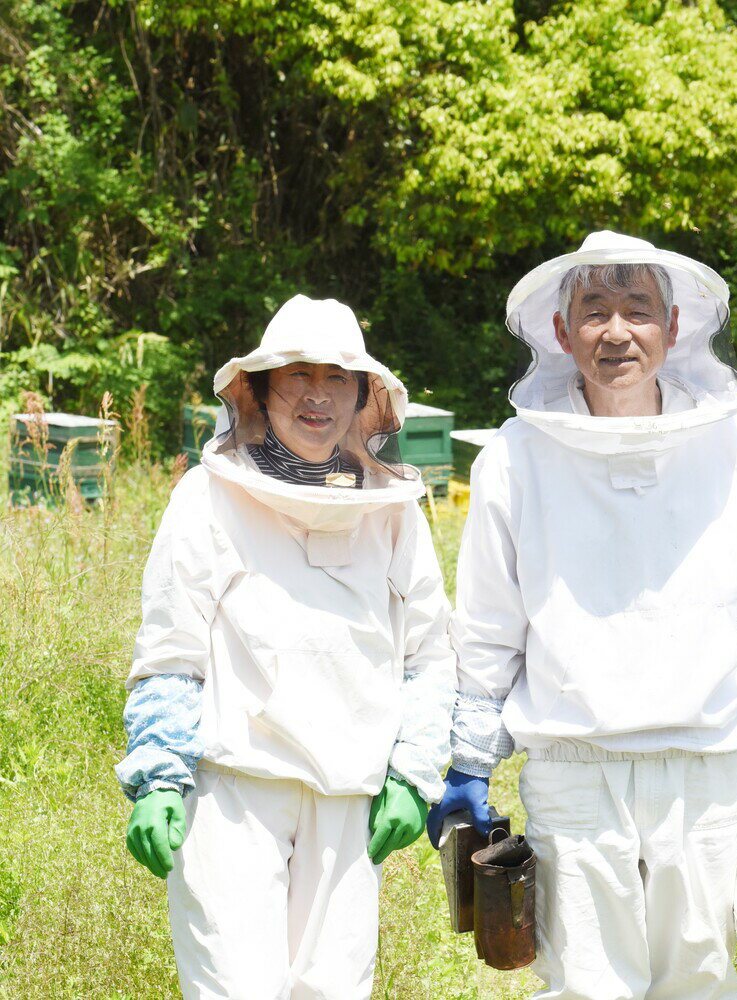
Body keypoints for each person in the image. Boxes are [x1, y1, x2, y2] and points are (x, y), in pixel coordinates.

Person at [427, 231, 737, 1000]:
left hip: (705, 762)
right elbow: (487, 625)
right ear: (560, 330)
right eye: (595, 311)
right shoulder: (513, 457)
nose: (616, 332)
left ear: (674, 329)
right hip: (575, 766)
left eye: (637, 310)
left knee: (699, 978)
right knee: (587, 983)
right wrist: (470, 760)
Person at [116, 294, 456, 999]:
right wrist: (158, 776)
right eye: (297, 373)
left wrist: (414, 773)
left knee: (333, 990)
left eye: (337, 378)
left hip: (352, 797)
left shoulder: (393, 514)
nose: (316, 394)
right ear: (261, 388)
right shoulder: (207, 498)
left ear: (364, 396)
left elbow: (429, 654)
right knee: (237, 988)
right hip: (234, 790)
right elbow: (171, 648)